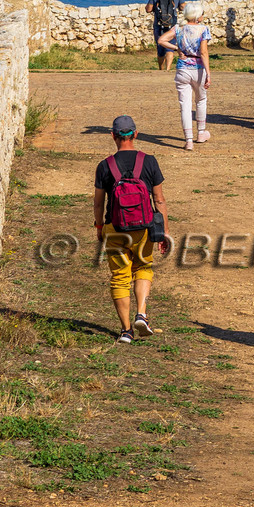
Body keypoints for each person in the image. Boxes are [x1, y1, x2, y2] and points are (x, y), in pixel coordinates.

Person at [93, 115, 169, 344]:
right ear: (135, 134)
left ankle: (126, 331)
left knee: (119, 277)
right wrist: (163, 232)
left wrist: (99, 226)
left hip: (115, 227)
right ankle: (141, 314)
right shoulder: (149, 161)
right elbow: (159, 200)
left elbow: (98, 203)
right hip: (144, 228)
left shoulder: (105, 166)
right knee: (143, 267)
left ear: (113, 136)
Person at [157, 2, 210, 151]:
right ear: (198, 15)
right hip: (198, 69)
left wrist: (177, 48)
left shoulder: (178, 28)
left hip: (182, 69)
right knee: (201, 100)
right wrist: (208, 73)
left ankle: (188, 140)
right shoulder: (203, 29)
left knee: (185, 105)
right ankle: (201, 133)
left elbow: (161, 40)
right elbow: (204, 53)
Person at [145, 0, 184, 71]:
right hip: (172, 25)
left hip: (159, 26)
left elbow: (148, 9)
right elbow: (183, 7)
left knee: (160, 48)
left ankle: (161, 68)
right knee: (170, 48)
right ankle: (168, 69)